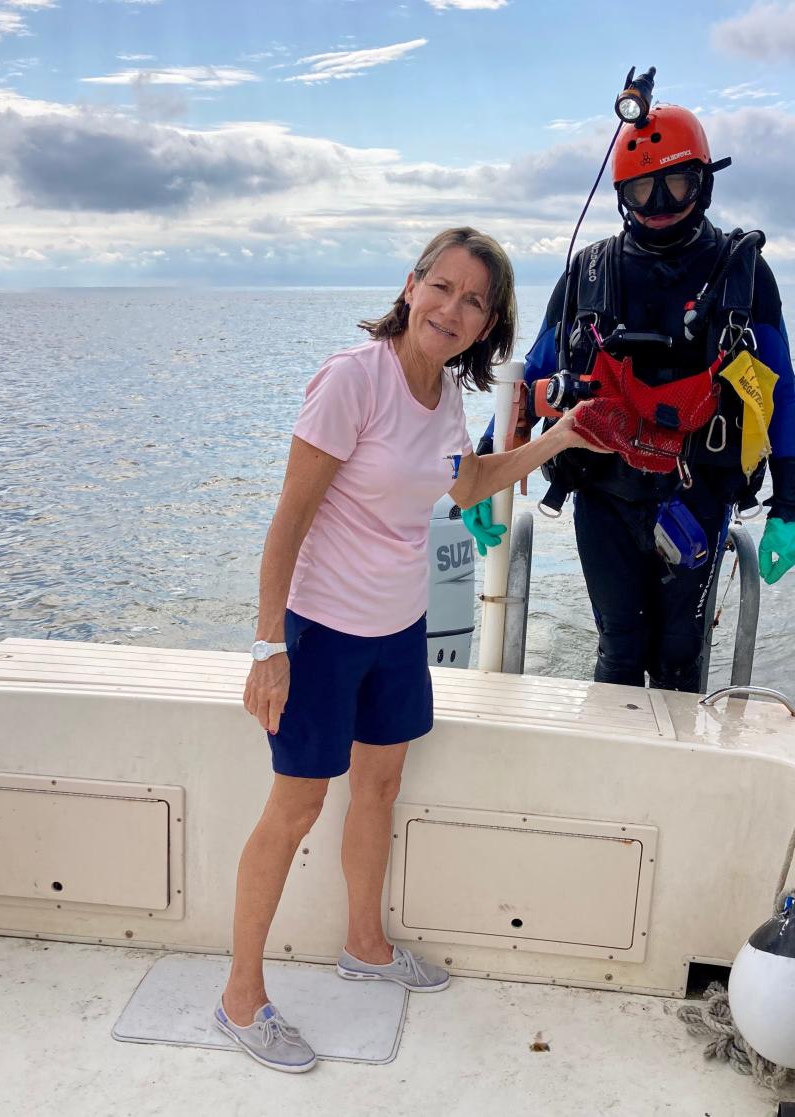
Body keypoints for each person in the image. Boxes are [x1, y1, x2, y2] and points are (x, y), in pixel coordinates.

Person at [215, 226, 607, 1072]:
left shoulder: (447, 401)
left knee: (381, 784)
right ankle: (240, 995)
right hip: (320, 631)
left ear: (487, 324)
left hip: (398, 631)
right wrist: (266, 645)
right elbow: (288, 517)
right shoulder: (351, 380)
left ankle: (366, 943)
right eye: (444, 286)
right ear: (410, 285)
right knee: (295, 808)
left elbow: (463, 484)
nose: (453, 308)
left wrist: (557, 439)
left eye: (476, 301)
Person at [464, 104, 795, 693]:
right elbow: (537, 370)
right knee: (620, 649)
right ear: (622, 194)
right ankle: (611, 780)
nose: (661, 205)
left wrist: (789, 505)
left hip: (699, 491)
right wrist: (486, 465)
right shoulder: (590, 270)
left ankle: (677, 779)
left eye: (677, 183)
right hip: (603, 489)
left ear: (704, 181)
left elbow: (782, 389)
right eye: (643, 189)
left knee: (680, 654)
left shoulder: (742, 273)